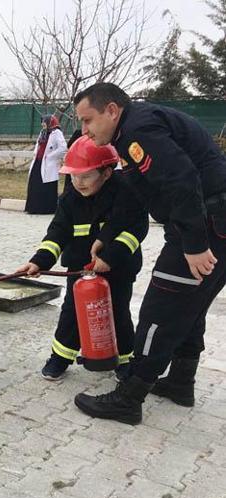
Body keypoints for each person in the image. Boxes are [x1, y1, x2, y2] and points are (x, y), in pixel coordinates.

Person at [71, 82, 226, 425]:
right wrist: (109, 235)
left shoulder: (138, 130)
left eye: (88, 120)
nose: (84, 130)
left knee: (161, 306)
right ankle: (181, 382)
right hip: (209, 223)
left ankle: (128, 397)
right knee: (191, 304)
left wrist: (195, 245)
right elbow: (139, 193)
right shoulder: (130, 133)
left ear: (111, 110)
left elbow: (182, 179)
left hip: (205, 228)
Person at [17, 135, 148, 383]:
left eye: (86, 176)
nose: (78, 182)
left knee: (117, 312)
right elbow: (56, 234)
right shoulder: (69, 200)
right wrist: (39, 262)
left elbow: (136, 230)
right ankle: (60, 358)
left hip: (119, 269)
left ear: (107, 173)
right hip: (80, 271)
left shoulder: (126, 193)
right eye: (73, 175)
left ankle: (124, 360)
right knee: (72, 314)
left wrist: (110, 258)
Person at [25, 115, 67, 215]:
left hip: (49, 163)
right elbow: (38, 145)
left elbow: (63, 148)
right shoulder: (42, 132)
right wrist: (36, 153)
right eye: (42, 121)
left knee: (47, 186)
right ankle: (33, 208)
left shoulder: (57, 133)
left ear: (50, 122)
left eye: (45, 121)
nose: (42, 124)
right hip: (38, 162)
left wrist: (50, 156)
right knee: (34, 183)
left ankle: (47, 209)